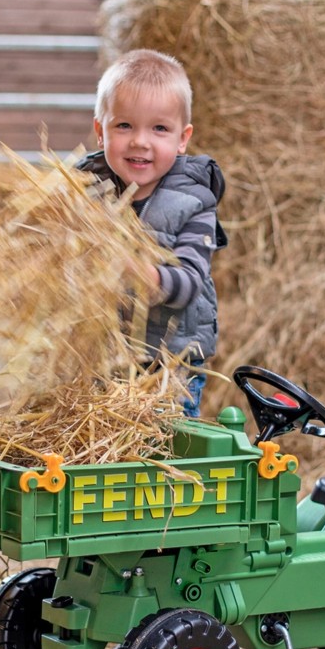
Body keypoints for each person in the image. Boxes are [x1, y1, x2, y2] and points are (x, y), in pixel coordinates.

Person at [76, 48, 226, 419]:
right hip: (102, 362)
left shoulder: (193, 202)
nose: (140, 141)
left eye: (159, 128)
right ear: (100, 131)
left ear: (182, 138)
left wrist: (147, 276)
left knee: (162, 459)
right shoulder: (86, 191)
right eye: (124, 126)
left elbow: (191, 280)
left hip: (168, 369)